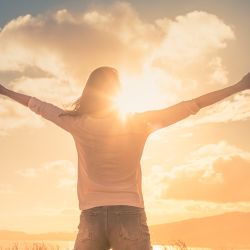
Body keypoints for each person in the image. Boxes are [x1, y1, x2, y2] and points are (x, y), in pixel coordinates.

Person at [0, 67, 249, 250]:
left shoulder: (78, 123)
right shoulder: (138, 123)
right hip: (129, 216)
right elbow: (191, 105)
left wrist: (3, 90)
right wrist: (239, 86)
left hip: (90, 218)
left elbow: (38, 105)